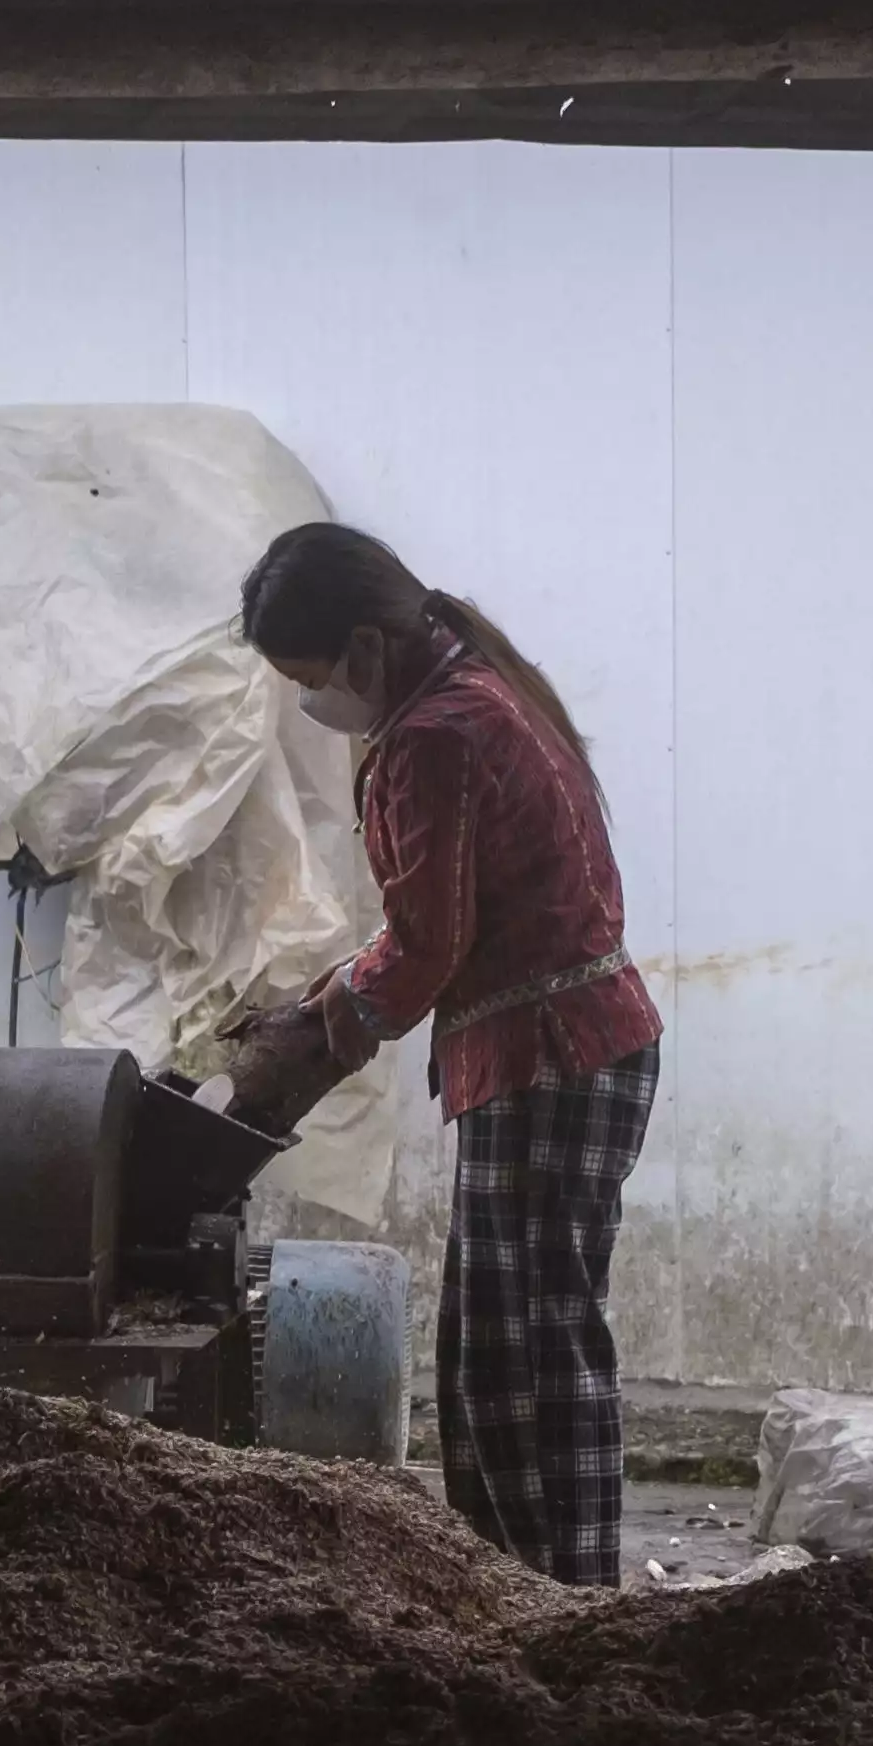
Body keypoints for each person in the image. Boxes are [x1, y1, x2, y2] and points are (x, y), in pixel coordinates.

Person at [224, 521, 663, 1586]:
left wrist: (311, 1041)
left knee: (530, 1358)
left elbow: (426, 947)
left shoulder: (436, 736)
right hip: (564, 1054)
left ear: (366, 650)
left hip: (550, 1061)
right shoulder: (477, 684)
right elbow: (438, 927)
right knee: (505, 1352)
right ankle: (546, 1595)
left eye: (310, 677)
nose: (313, 704)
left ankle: (561, 1602)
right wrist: (327, 1000)